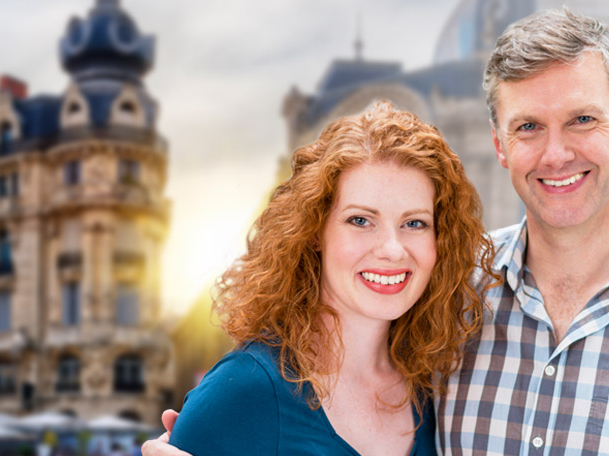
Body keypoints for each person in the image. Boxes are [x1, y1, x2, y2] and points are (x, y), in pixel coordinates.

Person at [147, 7, 609, 456]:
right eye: (527, 128)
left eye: (581, 120)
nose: (555, 154)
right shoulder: (455, 303)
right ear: (497, 143)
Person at [164, 100, 497, 456]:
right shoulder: (244, 390)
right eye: (360, 220)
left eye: (414, 223)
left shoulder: (433, 393)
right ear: (313, 231)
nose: (393, 249)